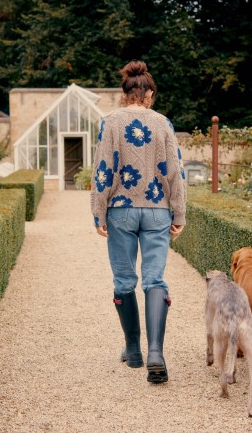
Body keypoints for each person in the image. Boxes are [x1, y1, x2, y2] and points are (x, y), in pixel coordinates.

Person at [91, 60, 187, 384]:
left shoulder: (111, 122)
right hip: (158, 209)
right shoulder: (163, 123)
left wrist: (98, 211)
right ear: (148, 94)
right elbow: (175, 171)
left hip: (121, 210)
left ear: (126, 93)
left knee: (123, 279)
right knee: (154, 279)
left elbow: (103, 168)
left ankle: (133, 350)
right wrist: (179, 212)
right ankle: (155, 353)